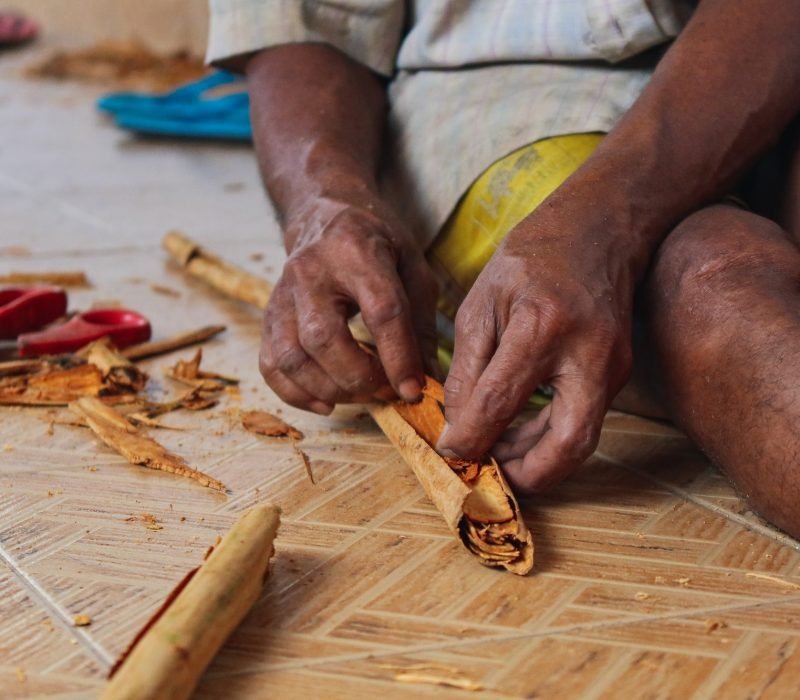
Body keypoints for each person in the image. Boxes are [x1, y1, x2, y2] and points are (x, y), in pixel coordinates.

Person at [207, 1, 800, 538]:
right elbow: (304, 21)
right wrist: (324, 204)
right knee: (721, 290)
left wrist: (600, 227)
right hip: (515, 92)